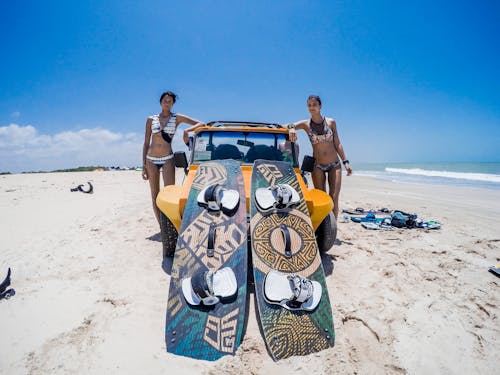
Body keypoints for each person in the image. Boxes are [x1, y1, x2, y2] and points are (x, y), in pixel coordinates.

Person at [142, 91, 204, 225]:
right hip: (151, 159)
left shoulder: (177, 118)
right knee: (155, 194)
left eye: (170, 101)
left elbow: (200, 123)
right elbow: (146, 143)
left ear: (173, 103)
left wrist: (187, 131)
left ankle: (169, 225)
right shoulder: (151, 119)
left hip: (168, 158)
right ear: (160, 102)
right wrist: (143, 166)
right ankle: (162, 227)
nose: (167, 103)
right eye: (165, 100)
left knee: (169, 195)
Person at [288, 95, 352, 220]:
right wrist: (291, 130)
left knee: (333, 197)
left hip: (335, 164)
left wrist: (346, 162)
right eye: (309, 105)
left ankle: (332, 230)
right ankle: (324, 226)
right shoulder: (306, 124)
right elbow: (288, 125)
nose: (312, 107)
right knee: (322, 199)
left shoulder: (331, 122)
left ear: (320, 106)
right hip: (317, 166)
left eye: (314, 105)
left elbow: (337, 143)